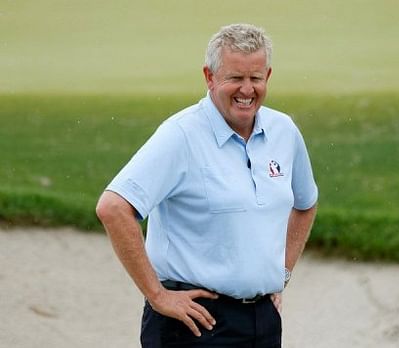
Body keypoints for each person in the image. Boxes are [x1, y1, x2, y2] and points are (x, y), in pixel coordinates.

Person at [96, 23, 318, 348]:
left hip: (263, 321)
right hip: (194, 324)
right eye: (235, 78)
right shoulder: (181, 135)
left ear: (267, 77)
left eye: (255, 78)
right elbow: (113, 207)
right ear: (210, 77)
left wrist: (280, 275)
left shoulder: (283, 131)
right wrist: (157, 295)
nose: (247, 90)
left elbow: (306, 203)